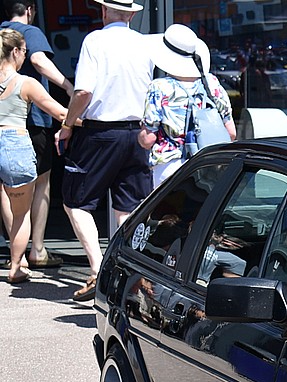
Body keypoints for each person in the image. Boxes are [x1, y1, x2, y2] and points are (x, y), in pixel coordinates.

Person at [56, 0, 153, 302]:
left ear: (103, 11)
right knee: (128, 209)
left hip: (101, 132)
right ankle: (130, 275)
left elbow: (84, 91)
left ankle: (99, 269)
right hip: (137, 133)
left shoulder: (95, 40)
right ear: (132, 14)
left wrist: (67, 124)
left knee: (75, 201)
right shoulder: (144, 44)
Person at [0, 2, 72, 269]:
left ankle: (15, 252)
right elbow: (39, 61)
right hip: (32, 122)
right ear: (30, 9)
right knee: (41, 182)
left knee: (5, 189)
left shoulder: (2, 33)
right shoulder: (29, 32)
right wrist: (68, 86)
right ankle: (37, 249)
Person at [140, 24, 235, 187]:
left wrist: (139, 134)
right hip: (209, 165)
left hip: (170, 169)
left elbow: (148, 139)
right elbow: (231, 133)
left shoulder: (160, 87)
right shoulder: (211, 83)